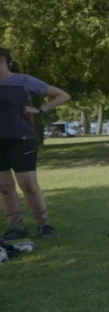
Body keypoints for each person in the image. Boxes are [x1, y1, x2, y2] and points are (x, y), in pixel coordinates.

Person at [0, 46, 71, 241]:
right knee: (4, 187)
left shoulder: (23, 81)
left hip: (21, 139)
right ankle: (16, 228)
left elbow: (63, 95)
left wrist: (41, 110)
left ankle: (44, 225)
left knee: (28, 184)